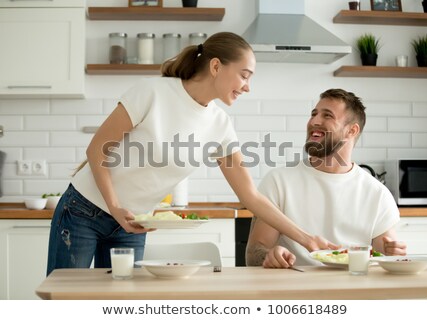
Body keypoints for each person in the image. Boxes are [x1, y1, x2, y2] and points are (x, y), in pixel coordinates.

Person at [46, 32, 337, 276]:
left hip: (131, 224)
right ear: (215, 67)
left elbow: (251, 197)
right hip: (84, 210)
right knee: (65, 301)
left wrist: (308, 240)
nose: (248, 87)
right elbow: (97, 148)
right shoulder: (153, 92)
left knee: (123, 305)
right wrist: (114, 205)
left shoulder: (220, 124)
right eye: (244, 75)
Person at [246, 88, 407, 268]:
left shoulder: (377, 194)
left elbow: (384, 257)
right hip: (294, 288)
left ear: (351, 131)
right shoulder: (278, 182)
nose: (314, 121)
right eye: (313, 114)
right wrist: (270, 256)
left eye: (327, 116)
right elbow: (254, 254)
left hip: (353, 290)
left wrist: (392, 254)